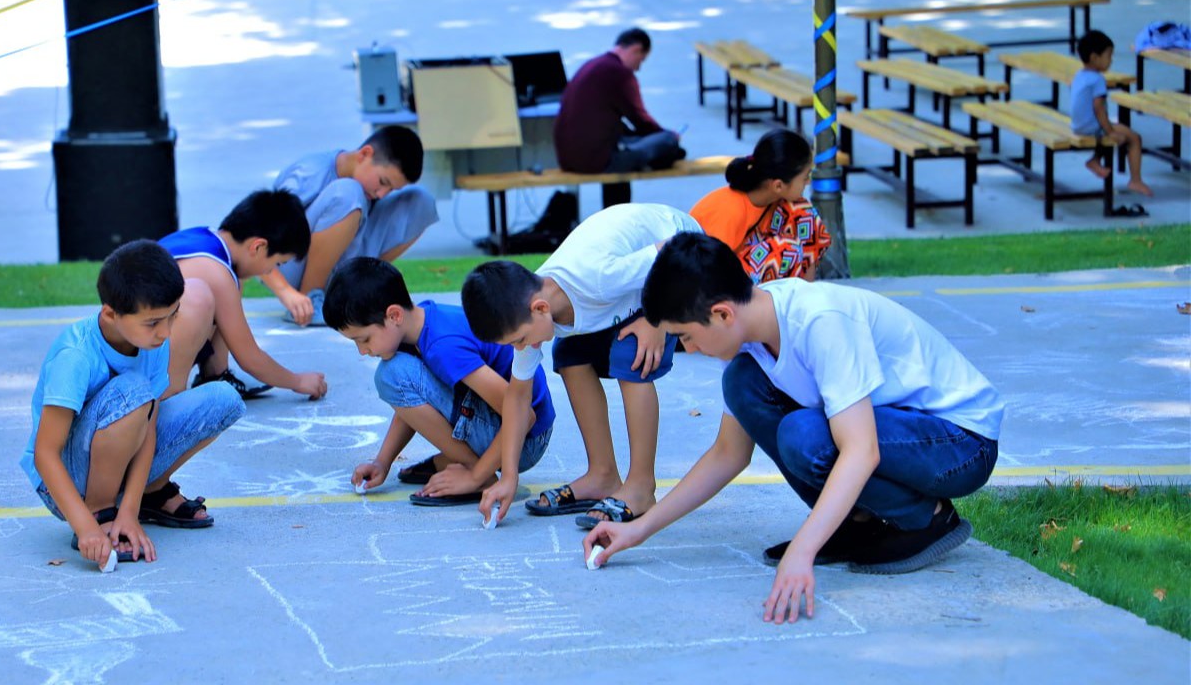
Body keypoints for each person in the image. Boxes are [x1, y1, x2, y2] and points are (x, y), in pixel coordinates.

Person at [585, 232, 1004, 624]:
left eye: (686, 336)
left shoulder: (819, 321)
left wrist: (802, 550)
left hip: (961, 444)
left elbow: (861, 450)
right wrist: (639, 529)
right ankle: (856, 524)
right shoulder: (751, 339)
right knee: (744, 384)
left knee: (805, 437)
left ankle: (927, 520)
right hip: (905, 434)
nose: (689, 350)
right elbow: (728, 455)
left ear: (722, 313)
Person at [461, 203, 702, 527]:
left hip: (679, 267)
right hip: (633, 285)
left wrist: (658, 318)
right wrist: (508, 476)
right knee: (569, 353)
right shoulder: (527, 309)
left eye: (519, 340)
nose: (521, 348)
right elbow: (518, 396)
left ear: (540, 308)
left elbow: (681, 248)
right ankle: (602, 474)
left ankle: (641, 487)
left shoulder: (598, 276)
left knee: (631, 354)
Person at [20, 240, 246, 568]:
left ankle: (147, 495)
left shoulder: (152, 342)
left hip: (121, 457)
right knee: (133, 388)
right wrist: (85, 529)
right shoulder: (76, 355)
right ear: (111, 314)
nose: (165, 332)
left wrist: (130, 509)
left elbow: (149, 425)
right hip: (66, 481)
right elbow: (45, 454)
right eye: (153, 322)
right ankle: (99, 511)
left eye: (173, 316)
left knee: (223, 399)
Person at [323, 258, 555, 506]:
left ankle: (477, 473)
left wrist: (475, 475)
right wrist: (383, 461)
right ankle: (463, 462)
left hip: (524, 441)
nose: (362, 351)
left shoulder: (443, 346)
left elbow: (524, 415)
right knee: (399, 374)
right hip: (512, 428)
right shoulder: (422, 321)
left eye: (364, 339)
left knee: (391, 375)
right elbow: (410, 405)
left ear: (394, 315)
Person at [261, 125, 439, 326]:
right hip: (288, 265)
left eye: (391, 189)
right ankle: (309, 299)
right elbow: (254, 236)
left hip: (342, 262)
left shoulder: (370, 190)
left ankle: (355, 288)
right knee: (348, 193)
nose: (382, 194)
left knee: (422, 201)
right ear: (364, 154)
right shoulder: (308, 173)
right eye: (383, 181)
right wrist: (286, 292)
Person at [160, 189, 328, 401]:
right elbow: (249, 358)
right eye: (277, 263)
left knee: (230, 286)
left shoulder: (207, 238)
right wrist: (297, 381)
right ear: (258, 246)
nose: (269, 271)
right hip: (137, 360)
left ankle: (215, 376)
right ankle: (169, 398)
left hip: (138, 347)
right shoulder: (216, 272)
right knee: (199, 299)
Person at [553, 28, 686, 206]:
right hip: (596, 160)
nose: (638, 68)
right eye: (641, 60)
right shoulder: (619, 74)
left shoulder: (592, 64)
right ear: (636, 49)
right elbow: (640, 119)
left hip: (568, 158)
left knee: (634, 147)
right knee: (667, 141)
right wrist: (668, 136)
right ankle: (618, 215)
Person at [691, 129, 830, 283]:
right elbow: (704, 274)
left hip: (737, 271)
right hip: (707, 282)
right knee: (786, 249)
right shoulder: (729, 211)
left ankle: (806, 291)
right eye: (805, 177)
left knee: (803, 213)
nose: (808, 182)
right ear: (778, 185)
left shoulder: (778, 202)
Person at [1070, 29, 1153, 203]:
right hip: (1092, 126)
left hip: (1078, 125)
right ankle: (1136, 180)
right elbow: (1099, 108)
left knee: (1113, 132)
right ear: (1094, 58)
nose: (1111, 60)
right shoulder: (1097, 79)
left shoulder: (1079, 74)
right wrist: (1110, 131)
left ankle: (1095, 160)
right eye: (1109, 56)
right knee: (1134, 138)